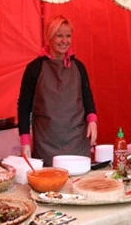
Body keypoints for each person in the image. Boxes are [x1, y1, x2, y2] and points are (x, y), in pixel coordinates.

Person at [17, 15, 97, 166]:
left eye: (68, 36)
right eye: (59, 36)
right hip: (46, 142)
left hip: (77, 141)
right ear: (49, 37)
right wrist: (25, 141)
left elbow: (87, 98)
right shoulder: (35, 68)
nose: (64, 41)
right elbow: (24, 107)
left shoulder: (79, 67)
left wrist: (92, 121)